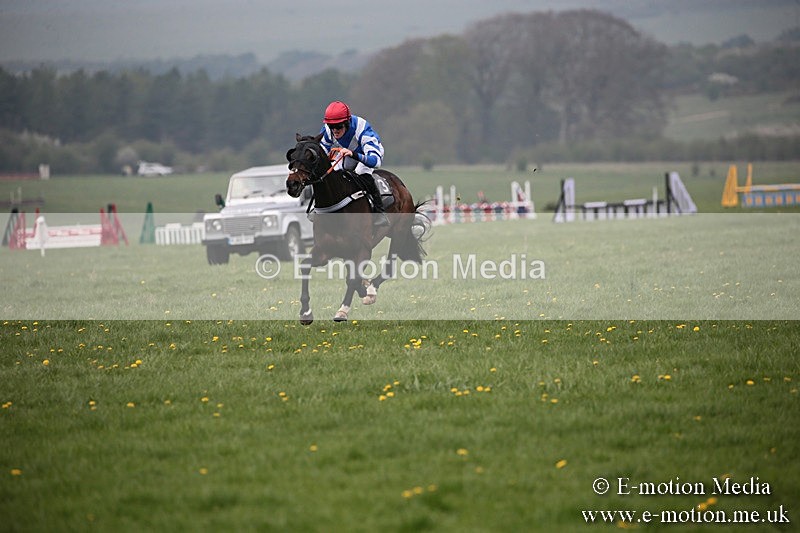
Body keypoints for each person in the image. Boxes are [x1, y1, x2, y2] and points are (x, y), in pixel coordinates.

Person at [319, 100, 389, 226]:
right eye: (331, 126)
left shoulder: (362, 128)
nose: (335, 130)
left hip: (368, 154)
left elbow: (375, 162)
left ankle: (379, 212)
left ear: (347, 123)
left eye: (338, 126)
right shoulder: (328, 130)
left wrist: (353, 154)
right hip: (347, 153)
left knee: (361, 172)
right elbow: (322, 152)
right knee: (333, 172)